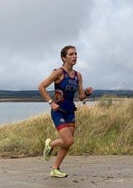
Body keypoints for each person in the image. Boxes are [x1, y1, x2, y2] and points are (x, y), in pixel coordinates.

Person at [38, 45, 93, 178]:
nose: (74, 56)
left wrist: (86, 93)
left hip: (70, 111)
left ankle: (55, 169)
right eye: (71, 54)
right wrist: (51, 103)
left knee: (68, 143)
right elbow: (41, 87)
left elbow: (80, 96)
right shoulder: (59, 72)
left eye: (75, 54)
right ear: (64, 57)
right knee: (68, 141)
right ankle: (50, 144)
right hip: (58, 110)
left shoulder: (78, 75)